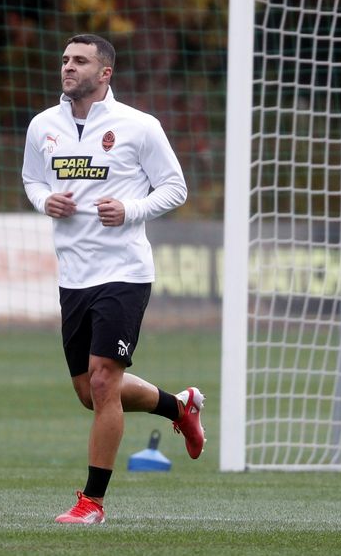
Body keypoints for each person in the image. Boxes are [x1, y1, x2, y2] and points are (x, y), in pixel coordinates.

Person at [22, 34, 205, 525]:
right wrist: (44, 201)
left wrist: (130, 209)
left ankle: (92, 503)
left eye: (80, 61)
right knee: (91, 393)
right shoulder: (43, 125)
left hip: (124, 272)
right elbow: (32, 180)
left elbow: (175, 187)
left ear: (105, 73)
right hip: (73, 275)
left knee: (104, 380)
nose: (68, 67)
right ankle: (179, 407)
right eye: (65, 59)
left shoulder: (139, 126)